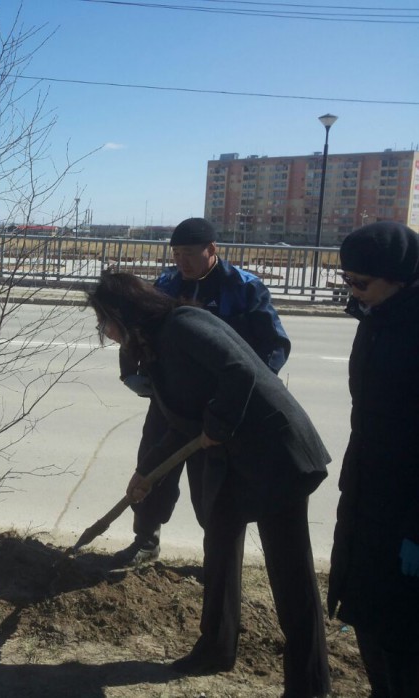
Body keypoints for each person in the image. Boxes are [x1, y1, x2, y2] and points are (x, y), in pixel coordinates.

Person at [89, 271, 330, 697]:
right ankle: (215, 647)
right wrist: (147, 472)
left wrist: (217, 423)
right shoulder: (154, 344)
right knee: (219, 545)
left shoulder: (183, 324)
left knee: (289, 570)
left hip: (275, 453)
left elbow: (240, 371)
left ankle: (309, 683)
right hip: (231, 456)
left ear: (120, 314)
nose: (105, 333)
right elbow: (178, 421)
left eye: (103, 322)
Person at [112, 217, 290, 568]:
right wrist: (131, 371)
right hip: (171, 401)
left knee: (212, 485)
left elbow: (274, 344)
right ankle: (145, 539)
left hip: (219, 407)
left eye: (189, 253)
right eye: (176, 253)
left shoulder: (243, 287)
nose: (181, 261)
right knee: (153, 467)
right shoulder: (166, 284)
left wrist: (249, 393)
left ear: (212, 249)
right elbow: (138, 329)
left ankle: (217, 558)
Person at [327, 222, 419, 697]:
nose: (353, 291)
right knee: (366, 620)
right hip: (367, 498)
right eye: (346, 280)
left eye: (361, 282)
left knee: (404, 638)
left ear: (398, 278)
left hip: (406, 511)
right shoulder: (377, 319)